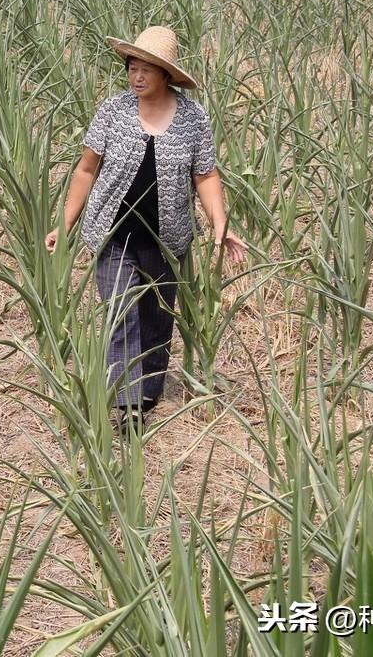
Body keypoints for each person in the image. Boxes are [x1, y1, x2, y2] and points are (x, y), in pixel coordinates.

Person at [44, 25, 248, 435]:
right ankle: (128, 403)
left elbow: (205, 175)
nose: (136, 77)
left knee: (157, 318)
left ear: (167, 75)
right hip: (112, 232)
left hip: (167, 239)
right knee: (121, 311)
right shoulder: (113, 112)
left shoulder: (192, 118)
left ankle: (149, 389)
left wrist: (219, 223)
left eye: (146, 70)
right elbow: (87, 169)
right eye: (132, 68)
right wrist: (64, 224)